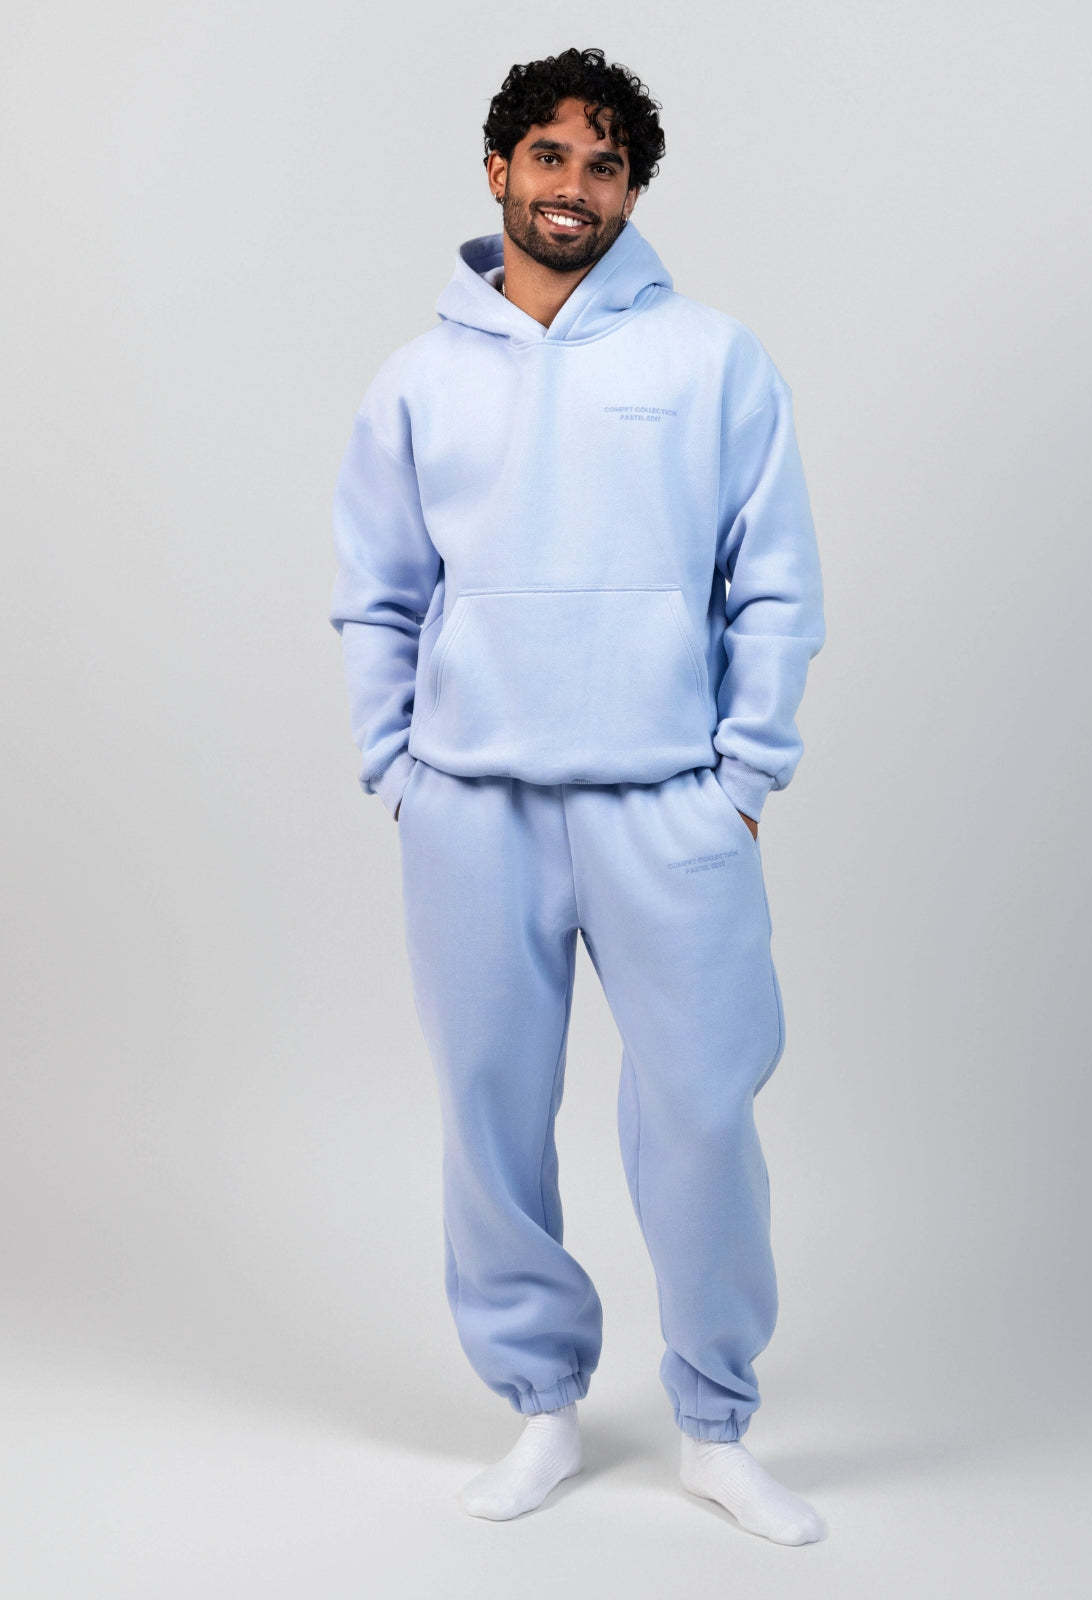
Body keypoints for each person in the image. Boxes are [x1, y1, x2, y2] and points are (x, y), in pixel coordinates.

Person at [329, 47, 828, 1546]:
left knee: (703, 1112)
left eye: (605, 165)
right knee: (491, 1119)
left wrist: (744, 775)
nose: (575, 187)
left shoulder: (713, 360)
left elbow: (774, 581)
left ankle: (715, 1424)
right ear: (500, 170)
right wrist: (397, 766)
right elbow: (378, 592)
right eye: (549, 155)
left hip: (665, 803)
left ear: (630, 190)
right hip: (472, 808)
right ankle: (541, 1403)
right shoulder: (418, 380)